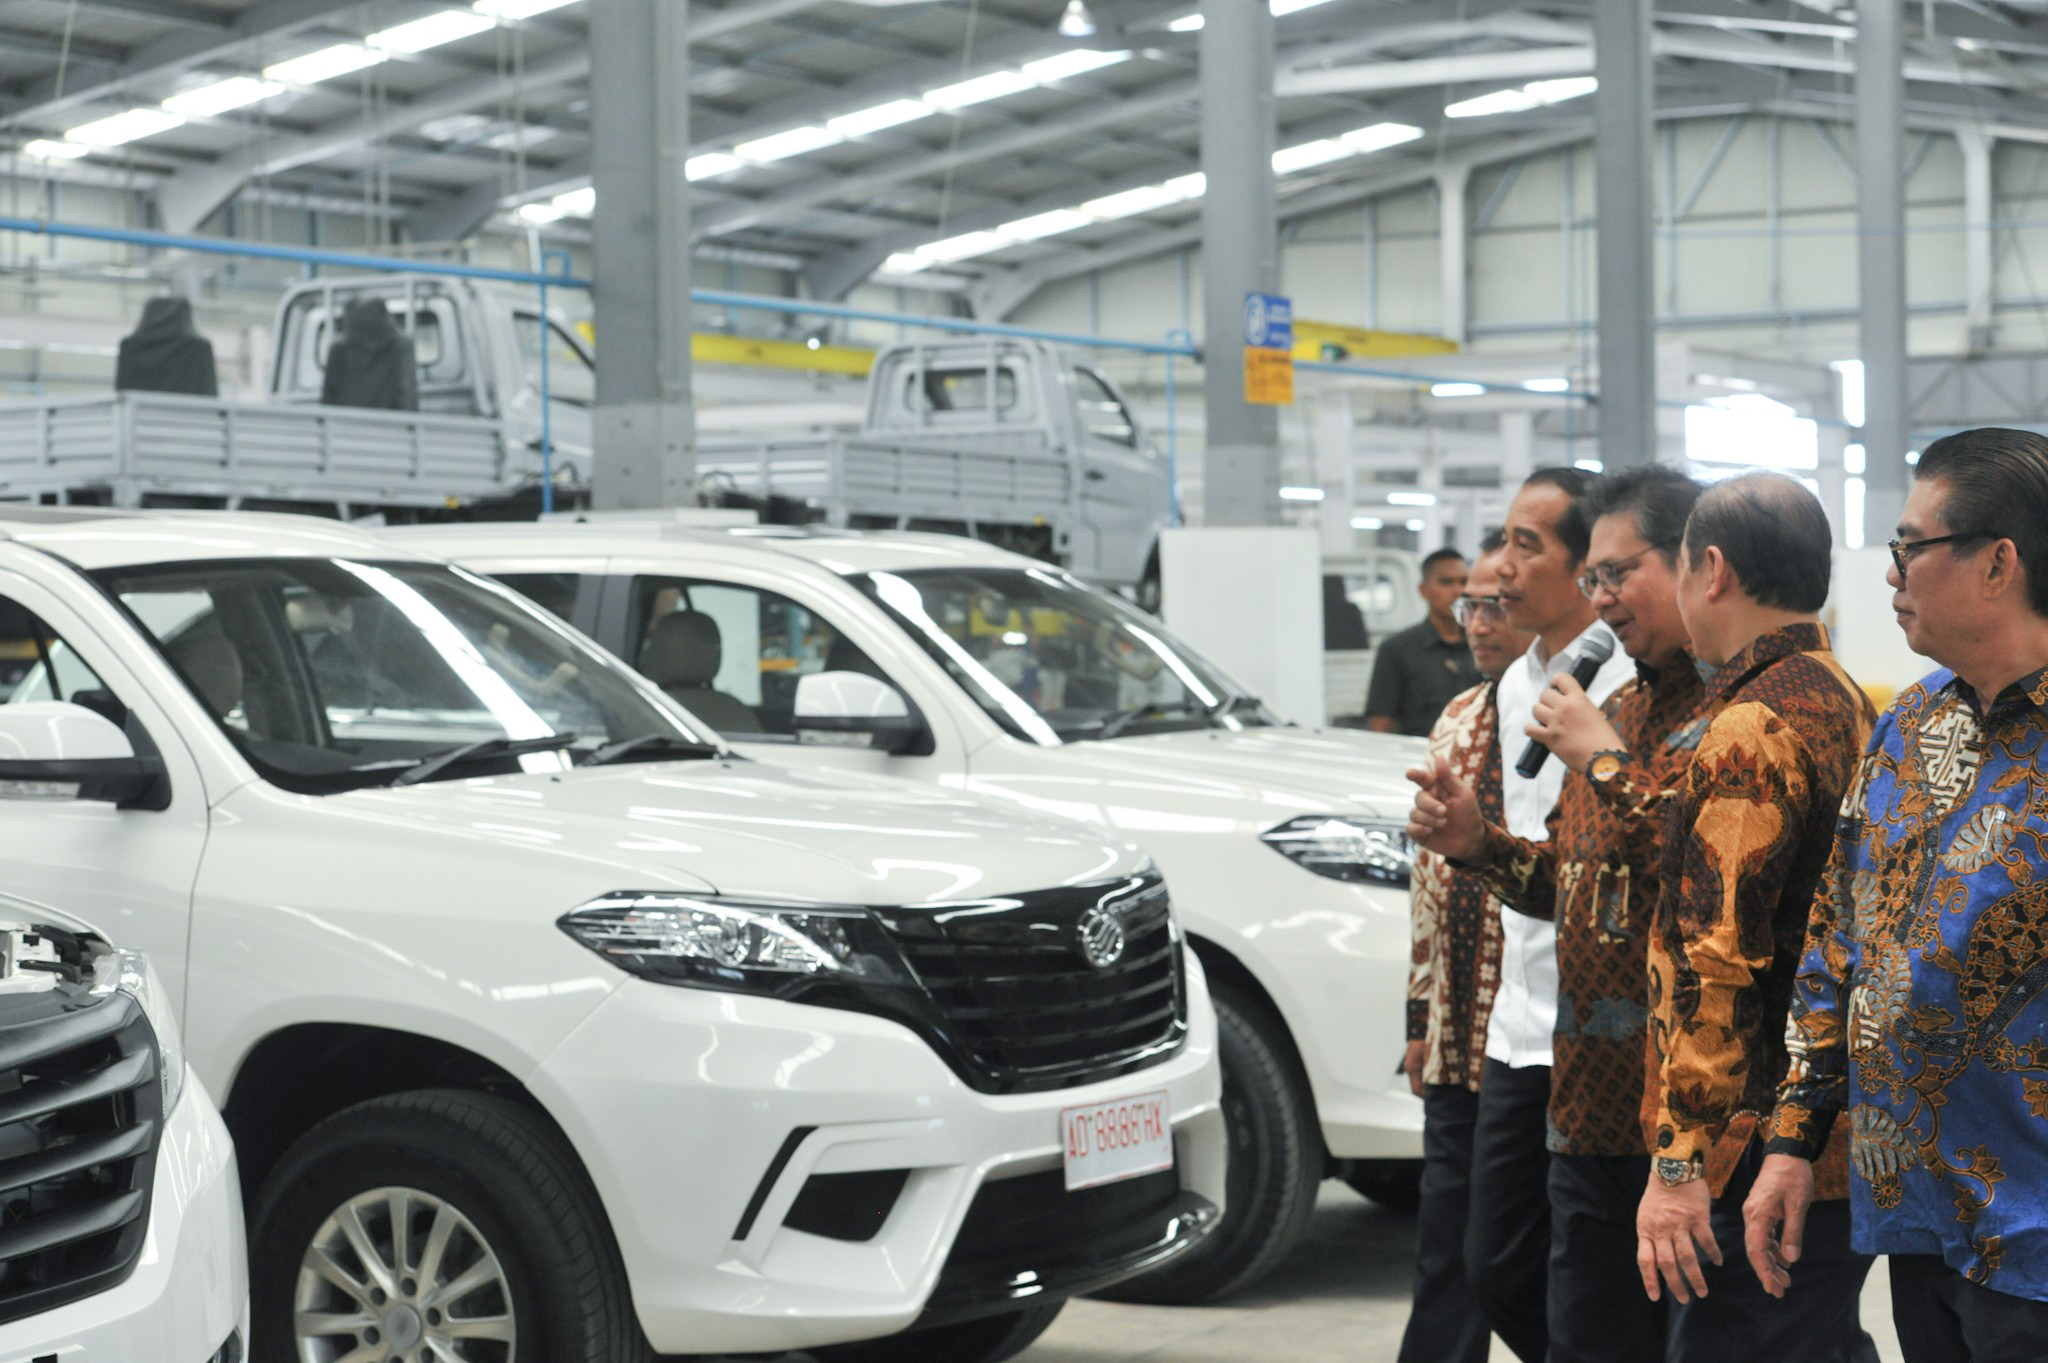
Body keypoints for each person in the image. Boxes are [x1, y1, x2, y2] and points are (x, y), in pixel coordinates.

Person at [1750, 428, 2048, 1363]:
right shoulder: (1911, 726)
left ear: (1998, 562)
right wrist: (1794, 1136)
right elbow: (1842, 937)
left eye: (1909, 547)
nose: (1890, 575)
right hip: (1919, 1211)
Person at [1410, 465, 1706, 1363]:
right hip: (1525, 1015)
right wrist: (1475, 841)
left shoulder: (1653, 684)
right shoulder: (1521, 685)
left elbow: (1681, 871)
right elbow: (1564, 867)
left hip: (1619, 1034)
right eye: (1498, 542)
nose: (1495, 568)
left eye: (1523, 546)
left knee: (1605, 1284)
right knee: (1495, 1263)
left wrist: (1604, 756)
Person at [1632, 473, 1876, 1361]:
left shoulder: (1748, 724)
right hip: (1831, 1134)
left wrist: (1679, 1162)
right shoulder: (1842, 693)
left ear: (1712, 569)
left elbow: (1718, 959)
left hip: (1751, 1147)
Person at [1398, 531, 1536, 1363]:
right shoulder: (1455, 717)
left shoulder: (1571, 717)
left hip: (1530, 1045)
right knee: (1446, 1254)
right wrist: (1419, 1017)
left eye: (1496, 605)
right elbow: (1426, 888)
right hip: (1456, 1041)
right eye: (1469, 606)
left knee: (1511, 1258)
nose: (1479, 623)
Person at [1366, 548, 1481, 736]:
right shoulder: (1397, 650)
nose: (1458, 591)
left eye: (1464, 582)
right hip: (1418, 758)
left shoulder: (1484, 646)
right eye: (1446, 582)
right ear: (1423, 590)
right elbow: (1381, 723)